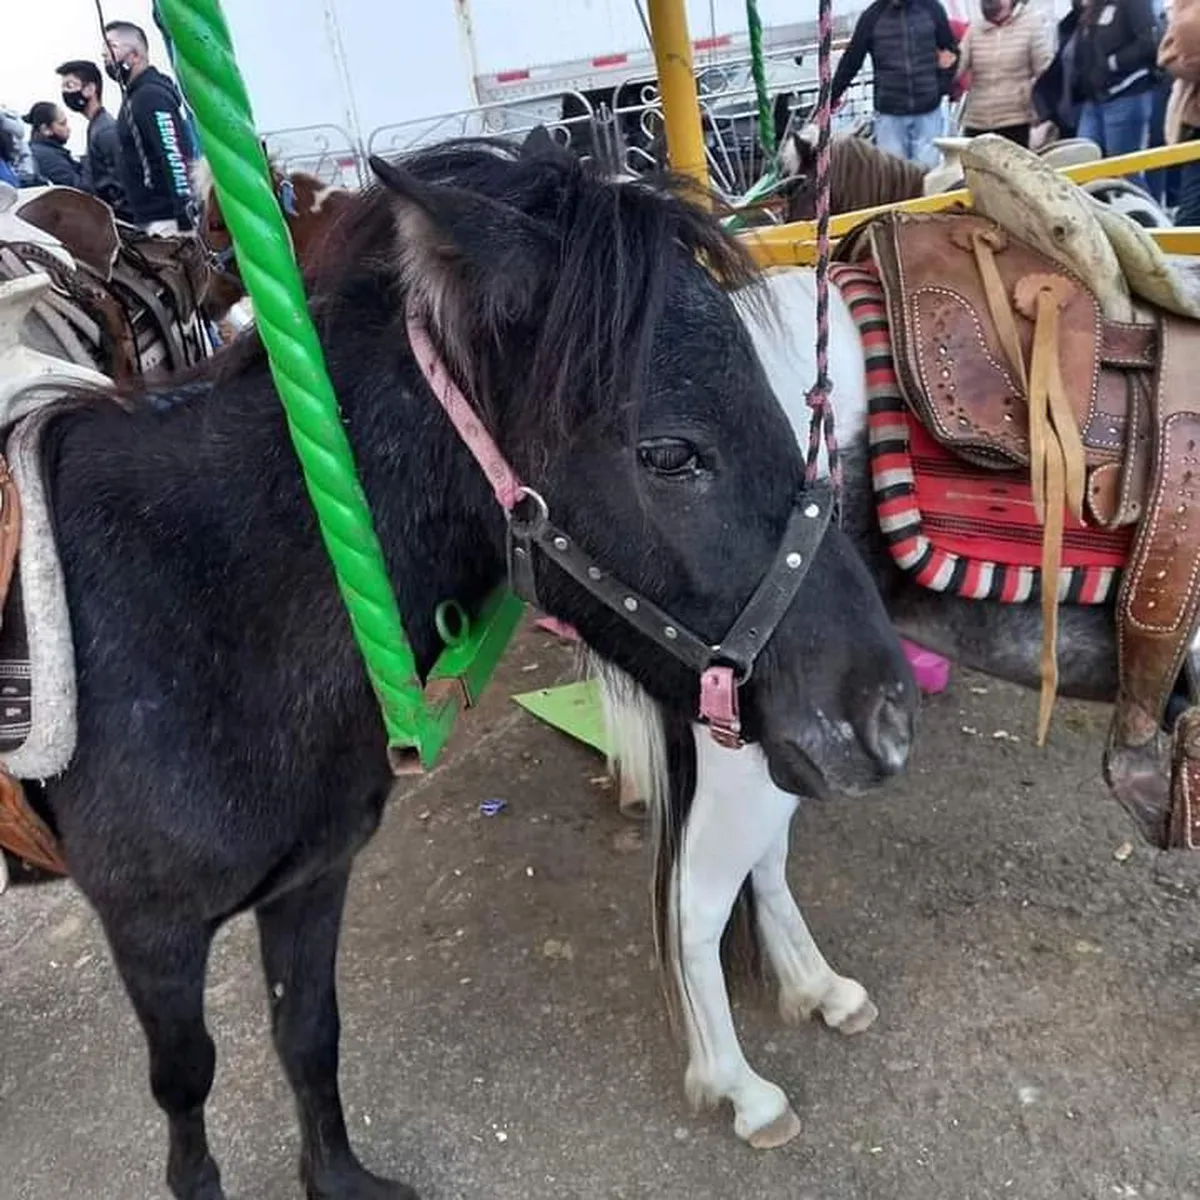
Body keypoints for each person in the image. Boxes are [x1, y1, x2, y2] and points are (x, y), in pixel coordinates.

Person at [830, 0, 961, 167]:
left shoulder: (932, 8)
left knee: (929, 176)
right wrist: (829, 100)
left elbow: (952, 52)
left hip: (928, 112)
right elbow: (851, 62)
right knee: (894, 179)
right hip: (889, 116)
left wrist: (940, 88)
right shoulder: (872, 16)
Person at [103, 18, 196, 233]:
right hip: (149, 219)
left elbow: (175, 155)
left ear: (134, 55)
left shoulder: (150, 96)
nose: (106, 56)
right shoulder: (133, 97)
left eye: (111, 47)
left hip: (167, 220)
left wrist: (186, 217)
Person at [1073, 0, 1160, 167]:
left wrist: (1113, 63)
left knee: (1125, 171)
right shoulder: (1093, 7)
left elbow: (1148, 43)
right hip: (1093, 98)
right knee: (1083, 164)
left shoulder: (1135, 4)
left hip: (1126, 94)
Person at [956, 0, 1054, 146]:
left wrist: (1042, 117)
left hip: (1016, 120)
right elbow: (957, 66)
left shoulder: (1031, 25)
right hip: (976, 120)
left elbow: (1046, 72)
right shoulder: (975, 28)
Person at [56, 58, 128, 216]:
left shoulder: (105, 130)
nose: (65, 93)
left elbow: (124, 181)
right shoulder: (95, 126)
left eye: (70, 86)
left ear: (90, 89)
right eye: (63, 88)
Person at [22, 102, 84, 189]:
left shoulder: (43, 150)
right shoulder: (48, 157)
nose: (68, 129)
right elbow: (80, 188)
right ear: (45, 129)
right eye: (62, 124)